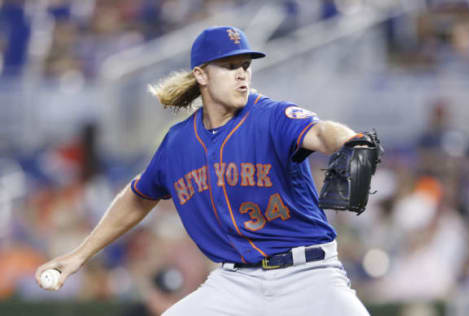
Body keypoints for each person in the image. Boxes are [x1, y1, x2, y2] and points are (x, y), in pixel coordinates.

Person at [36, 26, 371, 315]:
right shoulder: (178, 142)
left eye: (245, 65)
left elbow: (321, 132)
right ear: (201, 75)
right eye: (229, 66)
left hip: (308, 275)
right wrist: (80, 256)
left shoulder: (271, 116)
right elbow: (139, 197)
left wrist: (350, 139)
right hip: (235, 283)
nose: (242, 73)